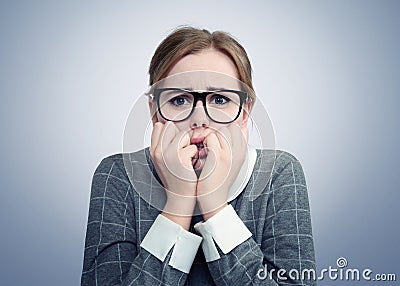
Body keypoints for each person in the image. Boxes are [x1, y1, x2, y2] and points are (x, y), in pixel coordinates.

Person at [81, 26, 316, 285]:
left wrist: (215, 207)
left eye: (220, 99)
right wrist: (178, 205)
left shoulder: (278, 173)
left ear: (245, 112)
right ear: (155, 111)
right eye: (179, 100)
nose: (200, 119)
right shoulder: (118, 175)